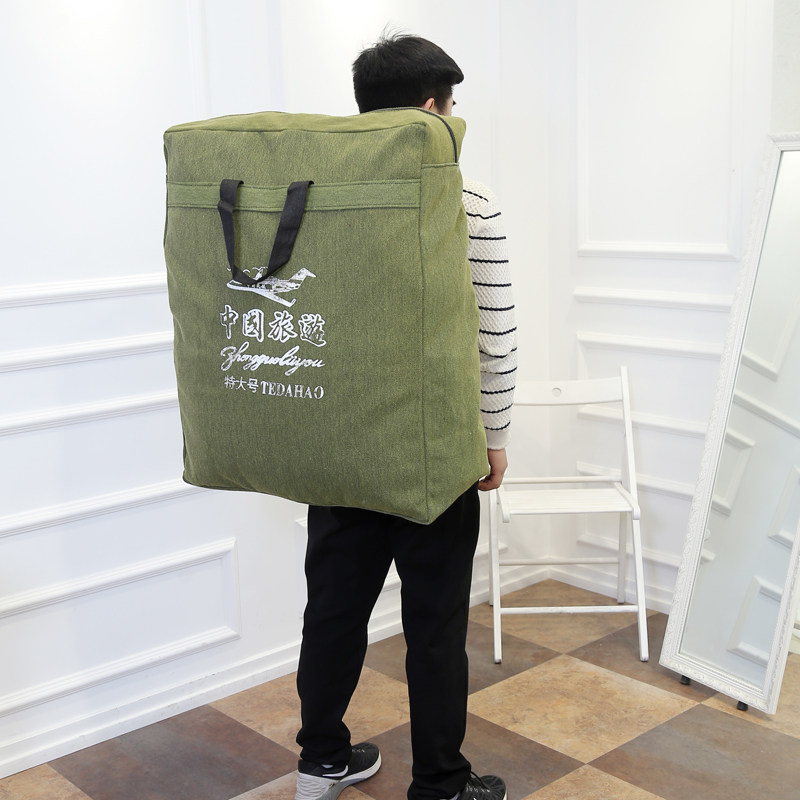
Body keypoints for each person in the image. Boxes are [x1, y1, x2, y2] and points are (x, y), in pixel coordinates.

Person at [294, 33, 517, 800]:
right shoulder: (467, 202)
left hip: (340, 444)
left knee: (332, 609)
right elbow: (494, 336)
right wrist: (496, 437)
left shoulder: (312, 199)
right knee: (434, 624)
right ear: (432, 109)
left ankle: (320, 759)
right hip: (434, 448)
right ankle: (442, 784)